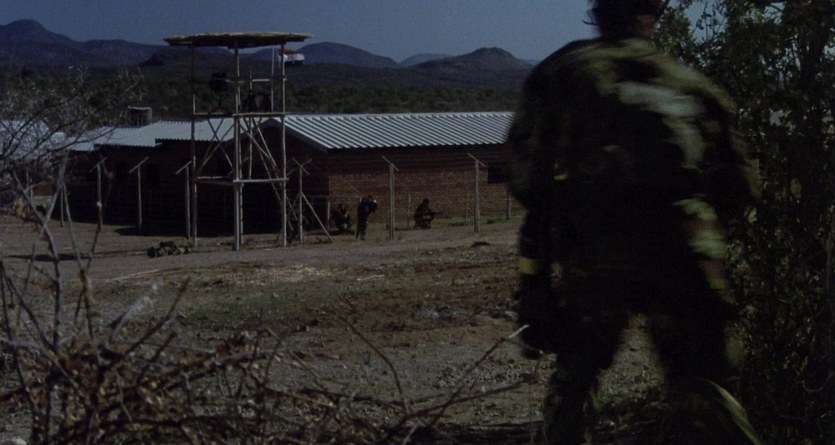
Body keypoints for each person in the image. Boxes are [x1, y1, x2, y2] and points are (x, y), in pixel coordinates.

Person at [506, 1, 763, 444]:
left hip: (597, 251)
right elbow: (742, 185)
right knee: (705, 385)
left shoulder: (563, 71)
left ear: (599, 16)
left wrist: (537, 279)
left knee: (577, 375)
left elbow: (526, 178)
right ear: (653, 17)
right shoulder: (689, 81)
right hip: (685, 252)